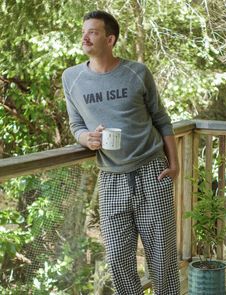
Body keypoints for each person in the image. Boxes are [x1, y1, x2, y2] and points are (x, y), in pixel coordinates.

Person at [62, 10, 180, 295]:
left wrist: (175, 165)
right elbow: (75, 123)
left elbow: (162, 120)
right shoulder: (72, 78)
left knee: (162, 260)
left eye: (93, 32)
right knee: (118, 259)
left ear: (110, 39)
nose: (85, 36)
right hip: (111, 177)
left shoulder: (137, 73)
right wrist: (85, 138)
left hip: (152, 170)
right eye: (84, 31)